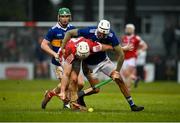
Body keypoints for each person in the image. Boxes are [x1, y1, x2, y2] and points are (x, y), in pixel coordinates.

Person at [61, 19, 144, 111]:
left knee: (119, 79)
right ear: (98, 29)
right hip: (88, 65)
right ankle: (79, 95)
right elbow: (69, 33)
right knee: (96, 89)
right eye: (101, 33)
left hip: (104, 61)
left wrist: (117, 71)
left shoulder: (111, 35)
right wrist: (63, 47)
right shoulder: (88, 31)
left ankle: (132, 105)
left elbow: (120, 54)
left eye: (105, 34)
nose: (103, 36)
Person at [40, 7, 84, 109]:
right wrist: (54, 54)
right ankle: (67, 103)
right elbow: (43, 45)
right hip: (58, 63)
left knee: (80, 83)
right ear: (58, 17)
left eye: (67, 16)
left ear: (70, 17)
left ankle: (51, 93)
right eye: (62, 16)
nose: (64, 18)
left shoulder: (73, 29)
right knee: (67, 83)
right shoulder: (53, 30)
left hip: (72, 60)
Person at [120, 24, 148, 91]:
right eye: (127, 28)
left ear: (133, 30)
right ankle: (135, 79)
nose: (128, 30)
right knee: (125, 74)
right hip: (124, 58)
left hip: (132, 58)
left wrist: (139, 51)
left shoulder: (137, 38)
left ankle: (128, 89)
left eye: (129, 28)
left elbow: (145, 46)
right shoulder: (123, 38)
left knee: (128, 73)